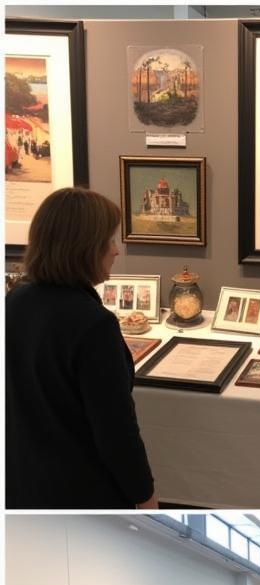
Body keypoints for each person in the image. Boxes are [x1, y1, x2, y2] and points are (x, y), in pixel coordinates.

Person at [6, 187, 157, 509]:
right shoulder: (93, 323)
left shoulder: (15, 301)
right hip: (81, 490)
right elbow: (116, 431)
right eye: (110, 241)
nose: (115, 251)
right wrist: (145, 498)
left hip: (23, 484)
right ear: (86, 247)